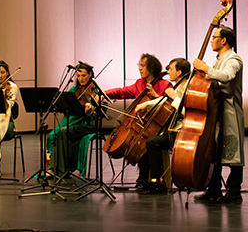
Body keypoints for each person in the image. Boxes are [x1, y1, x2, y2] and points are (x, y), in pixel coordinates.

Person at [192, 25, 245, 204]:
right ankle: (213, 189)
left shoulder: (234, 59)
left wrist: (205, 68)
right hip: (216, 111)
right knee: (214, 150)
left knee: (233, 151)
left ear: (223, 40)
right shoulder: (217, 60)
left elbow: (226, 76)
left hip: (230, 111)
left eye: (214, 37)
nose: (211, 41)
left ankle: (234, 191)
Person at [105, 53, 172, 186]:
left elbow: (169, 105)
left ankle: (147, 177)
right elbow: (122, 91)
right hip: (140, 125)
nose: (139, 68)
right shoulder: (139, 83)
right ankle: (143, 175)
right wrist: (103, 94)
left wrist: (155, 95)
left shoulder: (165, 84)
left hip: (160, 125)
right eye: (139, 65)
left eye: (142, 66)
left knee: (145, 141)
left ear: (151, 68)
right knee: (138, 139)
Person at [135, 57, 191, 194]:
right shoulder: (177, 86)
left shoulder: (187, 88)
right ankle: (147, 179)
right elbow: (163, 100)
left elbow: (187, 113)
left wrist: (174, 97)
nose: (168, 71)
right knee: (146, 138)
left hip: (182, 132)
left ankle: (159, 182)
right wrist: (146, 104)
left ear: (179, 72)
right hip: (171, 129)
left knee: (152, 142)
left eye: (170, 69)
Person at [45, 62, 100, 177]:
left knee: (62, 132)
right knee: (52, 135)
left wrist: (89, 111)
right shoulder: (74, 89)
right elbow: (65, 105)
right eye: (78, 76)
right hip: (72, 121)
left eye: (84, 75)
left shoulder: (94, 91)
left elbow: (94, 113)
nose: (81, 79)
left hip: (86, 125)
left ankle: (55, 169)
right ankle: (60, 168)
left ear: (90, 74)